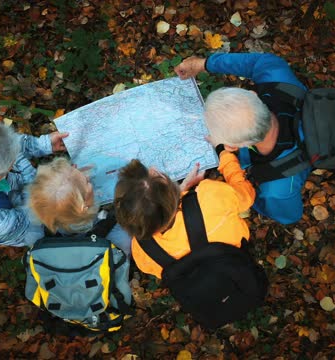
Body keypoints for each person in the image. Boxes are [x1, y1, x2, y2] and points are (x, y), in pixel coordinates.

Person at [174, 53, 311, 225]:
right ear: (253, 95)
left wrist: (250, 197)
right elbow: (256, 62)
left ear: (231, 147)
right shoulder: (275, 75)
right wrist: (204, 64)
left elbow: (290, 216)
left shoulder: (277, 189)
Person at [113, 149, 255, 278]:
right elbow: (246, 195)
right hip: (235, 261)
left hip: (202, 288)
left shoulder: (142, 251)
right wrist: (224, 154)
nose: (153, 168)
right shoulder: (210, 197)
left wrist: (180, 192)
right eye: (159, 176)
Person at [27, 157, 132, 254]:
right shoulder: (118, 237)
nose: (87, 176)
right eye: (86, 181)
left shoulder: (36, 232)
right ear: (84, 207)